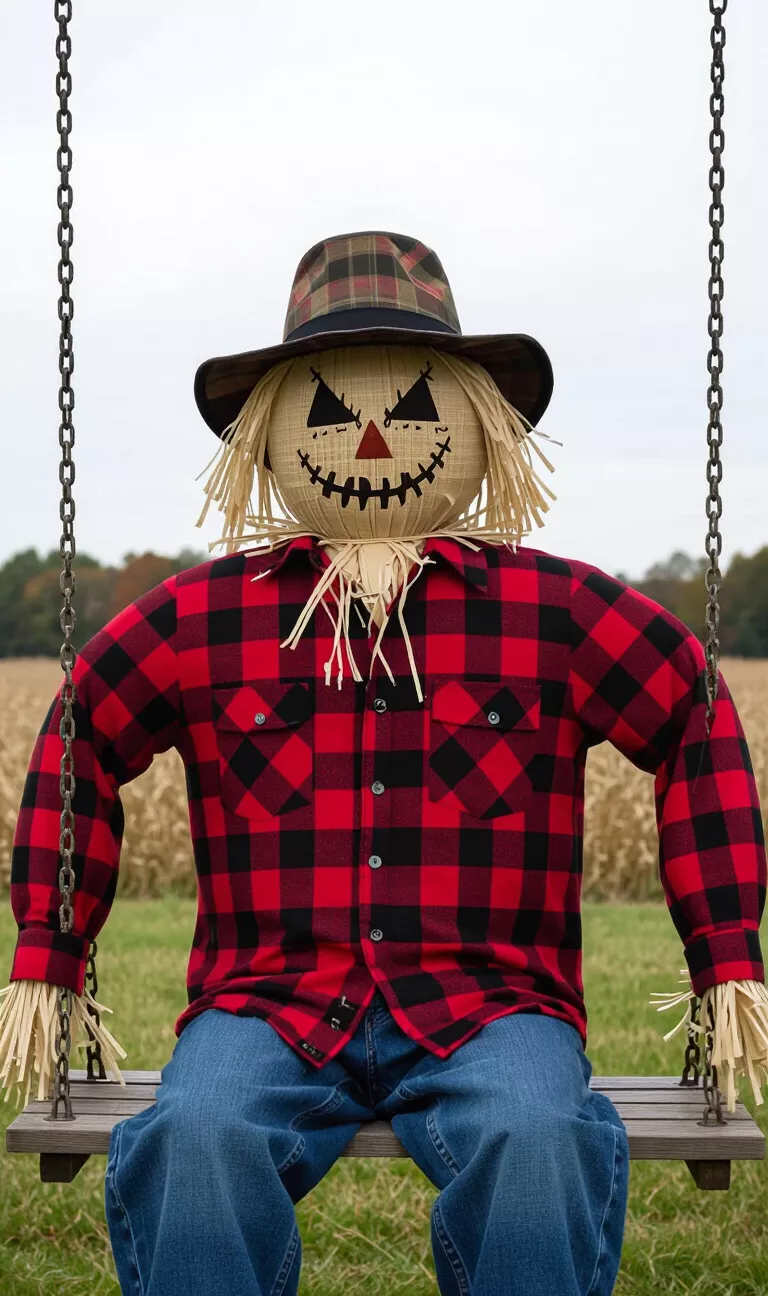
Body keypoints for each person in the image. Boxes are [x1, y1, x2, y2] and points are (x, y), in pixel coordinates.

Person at [3, 232, 766, 1296]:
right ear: (264, 436)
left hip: (494, 1007)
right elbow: (82, 730)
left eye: (408, 405)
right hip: (265, 1004)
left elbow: (688, 705)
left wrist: (723, 949)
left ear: (472, 421)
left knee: (539, 1142)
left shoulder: (550, 612)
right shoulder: (205, 619)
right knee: (195, 1141)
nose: (366, 439)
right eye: (325, 409)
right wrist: (52, 950)